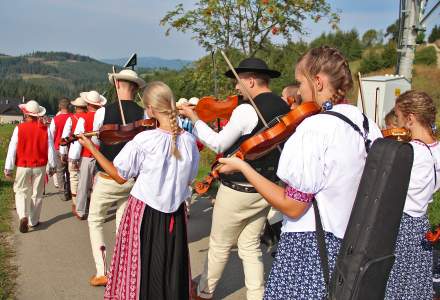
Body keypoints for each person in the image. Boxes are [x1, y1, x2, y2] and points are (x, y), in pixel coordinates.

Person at [217, 46, 382, 299]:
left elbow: (293, 206)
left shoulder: (315, 128)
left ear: (317, 81)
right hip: (352, 244)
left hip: (312, 250)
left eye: (300, 82)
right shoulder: (365, 123)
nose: (300, 90)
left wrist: (243, 167)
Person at [180, 57, 290, 299]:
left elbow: (218, 143)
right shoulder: (284, 106)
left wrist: (195, 119)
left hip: (238, 188)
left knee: (219, 244)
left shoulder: (245, 109)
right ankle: (256, 294)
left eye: (238, 83)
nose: (236, 88)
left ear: (250, 81)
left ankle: (203, 292)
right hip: (266, 188)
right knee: (250, 246)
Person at [78, 81, 199, 299]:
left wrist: (91, 149)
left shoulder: (144, 140)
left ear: (150, 109)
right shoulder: (190, 141)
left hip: (144, 211)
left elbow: (119, 176)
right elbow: (189, 178)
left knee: (140, 262)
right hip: (176, 214)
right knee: (171, 261)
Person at [87, 69, 146, 286]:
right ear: (136, 88)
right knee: (122, 224)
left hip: (108, 175)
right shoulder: (144, 114)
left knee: (95, 220)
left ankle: (102, 271)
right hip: (132, 178)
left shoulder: (102, 113)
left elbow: (95, 142)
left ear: (117, 85)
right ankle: (122, 268)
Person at [385, 90, 440, 299]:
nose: (397, 124)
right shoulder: (437, 149)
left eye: (398, 118)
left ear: (410, 119)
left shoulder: (410, 152)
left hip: (401, 226)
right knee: (415, 287)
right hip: (421, 224)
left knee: (395, 287)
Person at [4, 100, 56, 233]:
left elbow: (12, 148)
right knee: (37, 193)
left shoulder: (19, 128)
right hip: (40, 165)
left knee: (21, 191)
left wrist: (8, 168)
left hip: (23, 165)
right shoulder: (46, 129)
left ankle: (23, 216)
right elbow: (50, 149)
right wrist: (52, 166)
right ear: (38, 114)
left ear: (26, 114)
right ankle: (33, 220)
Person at [68, 91, 106, 219]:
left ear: (88, 104)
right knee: (99, 186)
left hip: (87, 154)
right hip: (102, 156)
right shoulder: (105, 117)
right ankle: (99, 212)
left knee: (83, 185)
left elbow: (78, 139)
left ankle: (80, 211)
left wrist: (73, 158)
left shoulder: (84, 118)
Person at [59, 96, 88, 213]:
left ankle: (76, 203)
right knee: (86, 179)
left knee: (74, 178)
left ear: (76, 107)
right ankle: (85, 201)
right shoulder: (90, 117)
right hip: (88, 153)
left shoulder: (72, 119)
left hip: (74, 152)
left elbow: (64, 137)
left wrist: (63, 153)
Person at [49, 98, 72, 199]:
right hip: (72, 147)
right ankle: (72, 191)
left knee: (60, 171)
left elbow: (51, 135)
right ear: (69, 106)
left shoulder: (55, 119)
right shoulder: (74, 117)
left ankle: (63, 193)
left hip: (58, 147)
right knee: (71, 171)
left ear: (60, 107)